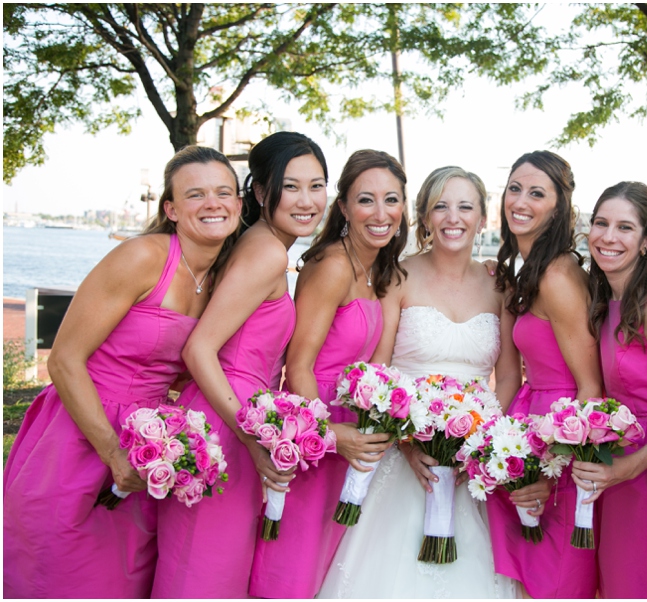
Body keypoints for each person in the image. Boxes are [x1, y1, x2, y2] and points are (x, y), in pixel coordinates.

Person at [2, 146, 241, 598]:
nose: (213, 203)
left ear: (239, 204)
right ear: (170, 209)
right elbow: (64, 360)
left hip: (148, 445)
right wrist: (113, 453)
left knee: (122, 580)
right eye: (196, 194)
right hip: (78, 436)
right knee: (57, 574)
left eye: (223, 192)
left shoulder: (220, 280)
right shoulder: (143, 257)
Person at [318, 166, 541, 598]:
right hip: (404, 453)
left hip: (472, 461)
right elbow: (379, 373)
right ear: (424, 216)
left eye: (465, 206)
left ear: (482, 218)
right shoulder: (398, 277)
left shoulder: (501, 285)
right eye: (440, 206)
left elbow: (510, 377)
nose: (452, 217)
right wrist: (407, 443)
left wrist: (479, 443)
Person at [149, 132, 328, 598]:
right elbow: (199, 349)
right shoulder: (266, 251)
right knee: (201, 572)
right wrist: (250, 437)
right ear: (262, 192)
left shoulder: (267, 246)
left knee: (216, 571)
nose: (307, 200)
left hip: (236, 418)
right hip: (225, 425)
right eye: (291, 187)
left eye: (317, 185)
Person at [249, 149, 407, 598]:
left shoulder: (377, 267)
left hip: (351, 433)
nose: (381, 214)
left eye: (391, 199)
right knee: (292, 563)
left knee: (326, 563)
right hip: (316, 433)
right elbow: (298, 365)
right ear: (343, 208)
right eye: (366, 200)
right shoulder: (332, 266)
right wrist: (330, 434)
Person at [569, 181, 647, 598]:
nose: (608, 236)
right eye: (601, 223)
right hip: (612, 469)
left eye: (625, 228)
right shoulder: (607, 301)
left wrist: (629, 468)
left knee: (641, 583)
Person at [486, 150, 603, 598]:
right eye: (515, 188)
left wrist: (551, 472)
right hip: (528, 428)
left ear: (558, 207)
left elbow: (591, 385)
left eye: (537, 193)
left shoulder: (557, 276)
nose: (520, 200)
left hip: (563, 442)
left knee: (556, 578)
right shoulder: (527, 271)